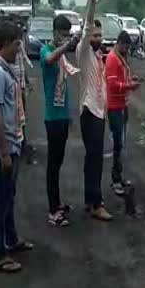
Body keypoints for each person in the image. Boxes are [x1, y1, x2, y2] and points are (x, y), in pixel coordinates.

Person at [0, 21, 34, 273]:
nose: (19, 49)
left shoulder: (5, 69)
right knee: (2, 201)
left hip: (12, 144)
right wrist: (4, 152)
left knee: (9, 196)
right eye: (16, 44)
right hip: (3, 148)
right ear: (4, 44)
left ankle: (11, 240)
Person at [76, 0, 113, 221]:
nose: (97, 38)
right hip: (90, 111)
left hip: (99, 112)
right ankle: (96, 202)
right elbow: (88, 27)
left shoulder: (99, 56)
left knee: (93, 158)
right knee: (95, 158)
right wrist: (92, 3)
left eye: (100, 35)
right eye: (95, 35)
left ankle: (91, 200)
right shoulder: (84, 50)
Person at [40, 15, 80, 227]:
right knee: (53, 165)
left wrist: (69, 115)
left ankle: (57, 203)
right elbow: (49, 60)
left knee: (59, 162)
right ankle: (53, 210)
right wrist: (66, 46)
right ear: (54, 32)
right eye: (61, 34)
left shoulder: (61, 56)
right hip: (52, 118)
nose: (64, 38)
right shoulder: (46, 51)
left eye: (67, 34)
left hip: (62, 116)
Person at [106, 30, 141, 196]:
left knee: (121, 143)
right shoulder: (113, 59)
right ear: (119, 43)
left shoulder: (120, 57)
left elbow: (121, 79)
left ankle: (118, 176)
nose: (127, 50)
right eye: (126, 47)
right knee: (118, 144)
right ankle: (115, 180)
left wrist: (129, 80)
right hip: (115, 106)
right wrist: (129, 86)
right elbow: (112, 85)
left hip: (122, 105)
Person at [11, 24, 35, 165]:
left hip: (20, 88)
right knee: (15, 119)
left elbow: (22, 65)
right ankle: (19, 147)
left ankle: (22, 145)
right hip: (13, 90)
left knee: (21, 118)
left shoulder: (19, 47)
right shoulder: (8, 51)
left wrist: (27, 82)